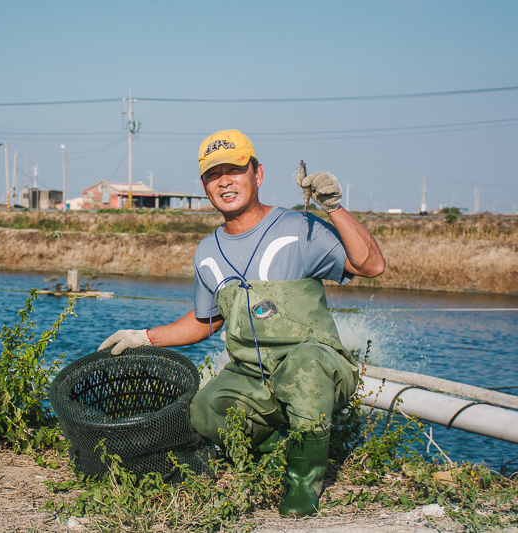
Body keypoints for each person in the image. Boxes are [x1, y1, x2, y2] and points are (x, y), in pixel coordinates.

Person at [99, 129, 385, 518]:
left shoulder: (299, 228)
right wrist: (143, 337)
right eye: (214, 175)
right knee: (204, 409)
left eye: (235, 170)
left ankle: (302, 482)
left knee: (305, 369)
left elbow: (371, 265)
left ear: (258, 174)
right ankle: (284, 446)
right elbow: (205, 322)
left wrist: (333, 207)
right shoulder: (207, 252)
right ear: (204, 185)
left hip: (318, 364)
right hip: (251, 374)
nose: (225, 181)